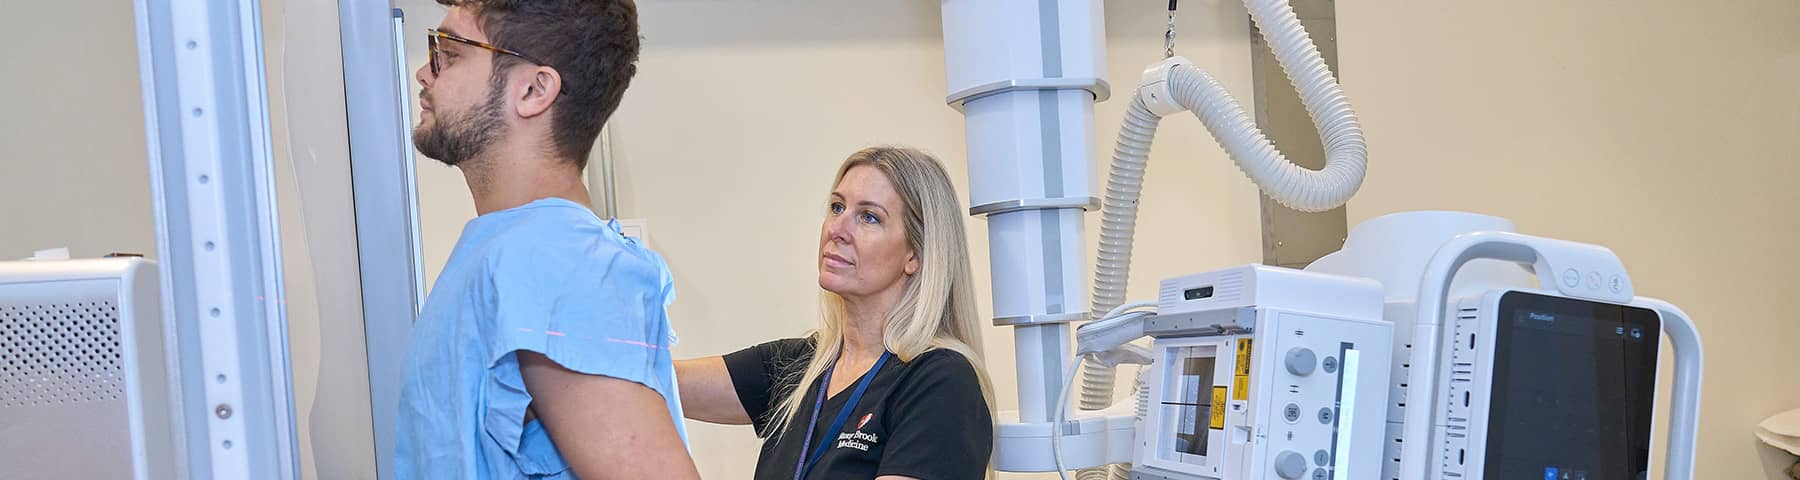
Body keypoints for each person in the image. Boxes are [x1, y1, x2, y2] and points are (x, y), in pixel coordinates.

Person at [393, 1, 701, 478]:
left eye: (450, 54)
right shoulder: (516, 249)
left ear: (534, 90)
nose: (423, 73)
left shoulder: (556, 257)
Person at [676, 146, 996, 479]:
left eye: (869, 217)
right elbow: (654, 380)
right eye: (836, 207)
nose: (837, 229)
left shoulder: (941, 381)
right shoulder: (799, 366)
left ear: (914, 254)